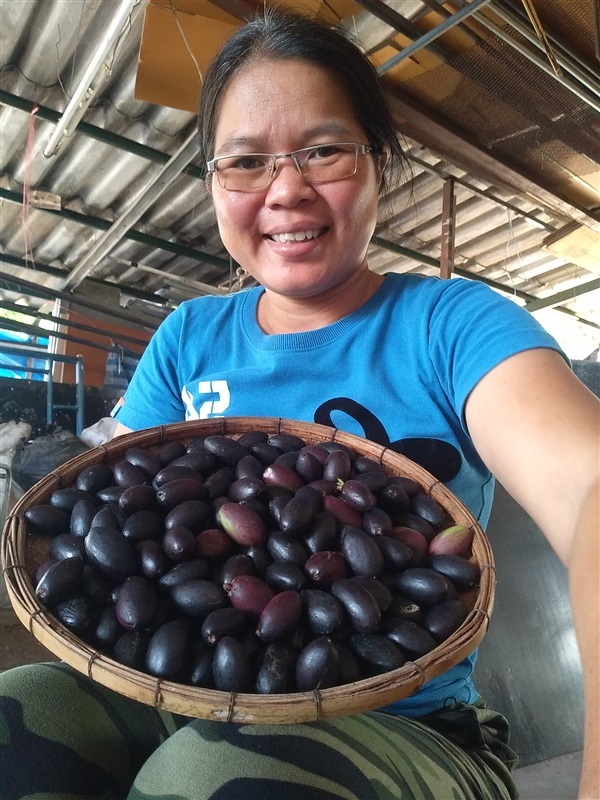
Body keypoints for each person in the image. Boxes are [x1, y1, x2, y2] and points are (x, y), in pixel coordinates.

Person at [1, 8, 598, 800]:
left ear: (379, 161)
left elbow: (590, 489)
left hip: (413, 730)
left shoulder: (453, 325)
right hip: (186, 694)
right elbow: (120, 496)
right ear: (214, 182)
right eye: (245, 162)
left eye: (323, 151)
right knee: (21, 709)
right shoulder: (189, 335)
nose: (286, 190)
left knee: (220, 772)